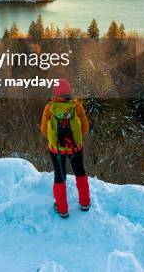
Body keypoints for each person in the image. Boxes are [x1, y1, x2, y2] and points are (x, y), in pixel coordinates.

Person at [40, 78, 90, 218]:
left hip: (56, 150)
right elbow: (85, 129)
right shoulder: (77, 107)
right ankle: (85, 203)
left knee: (59, 176)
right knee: (80, 172)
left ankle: (62, 209)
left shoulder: (49, 108)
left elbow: (44, 130)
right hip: (75, 148)